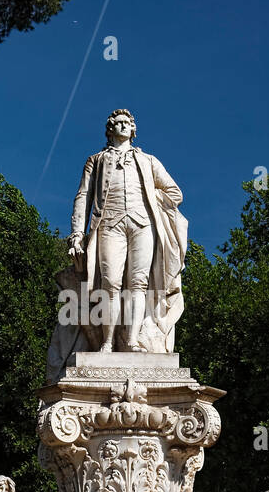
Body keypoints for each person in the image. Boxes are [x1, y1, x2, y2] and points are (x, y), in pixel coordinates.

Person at [48, 107, 187, 376]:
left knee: (138, 283)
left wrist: (152, 204)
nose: (123, 126)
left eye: (128, 123)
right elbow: (83, 196)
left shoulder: (148, 161)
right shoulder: (96, 160)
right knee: (109, 283)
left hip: (142, 224)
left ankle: (133, 340)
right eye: (118, 123)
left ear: (133, 130)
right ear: (110, 129)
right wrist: (77, 234)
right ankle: (108, 343)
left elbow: (175, 193)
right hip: (108, 224)